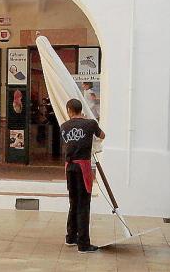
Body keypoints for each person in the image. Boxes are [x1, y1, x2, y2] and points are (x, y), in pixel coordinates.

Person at [60, 99, 105, 253]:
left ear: (68, 110)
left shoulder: (63, 127)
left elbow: (67, 144)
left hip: (69, 167)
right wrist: (87, 123)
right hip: (83, 167)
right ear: (81, 110)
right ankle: (83, 244)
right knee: (83, 205)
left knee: (73, 202)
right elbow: (102, 136)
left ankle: (71, 237)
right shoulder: (90, 124)